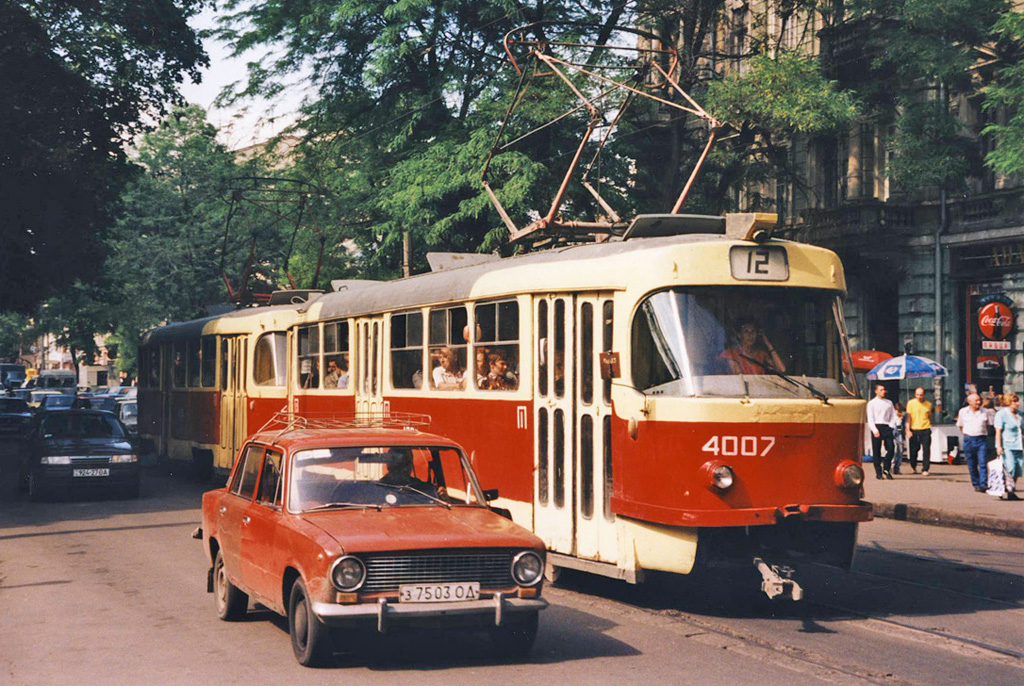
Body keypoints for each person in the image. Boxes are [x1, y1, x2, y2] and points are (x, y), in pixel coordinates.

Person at [719, 319, 786, 374]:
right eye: (746, 331)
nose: (750, 335)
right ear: (739, 335)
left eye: (753, 331)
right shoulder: (731, 354)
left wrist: (768, 344)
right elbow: (738, 376)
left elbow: (782, 369)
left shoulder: (761, 354)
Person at [957, 392, 991, 493]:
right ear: (969, 402)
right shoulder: (963, 411)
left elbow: (988, 425)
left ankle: (983, 484)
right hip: (969, 439)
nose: (979, 402)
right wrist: (966, 434)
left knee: (983, 462)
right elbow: (960, 425)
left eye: (979, 400)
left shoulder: (985, 411)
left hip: (981, 439)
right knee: (971, 463)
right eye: (976, 400)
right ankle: (976, 483)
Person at [994, 393, 1022, 500]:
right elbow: (998, 431)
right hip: (1007, 445)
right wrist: (998, 446)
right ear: (1008, 403)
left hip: (1019, 444)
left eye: (1017, 401)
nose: (1017, 403)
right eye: (1014, 401)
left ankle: (1011, 489)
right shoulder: (1001, 414)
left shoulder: (1020, 414)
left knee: (1018, 468)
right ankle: (1005, 488)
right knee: (1010, 467)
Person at [867, 384, 897, 479]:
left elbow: (893, 415)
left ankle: (886, 468)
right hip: (877, 425)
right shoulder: (872, 403)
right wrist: (874, 430)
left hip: (886, 426)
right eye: (881, 390)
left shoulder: (889, 403)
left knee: (891, 448)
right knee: (877, 451)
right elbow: (870, 418)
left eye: (884, 390)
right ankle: (878, 472)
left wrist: (891, 426)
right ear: (876, 391)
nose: (883, 391)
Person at [905, 387, 933, 475]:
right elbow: (908, 418)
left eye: (921, 395)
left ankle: (925, 468)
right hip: (914, 429)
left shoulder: (928, 404)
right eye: (917, 395)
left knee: (926, 450)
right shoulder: (911, 403)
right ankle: (913, 466)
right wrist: (907, 430)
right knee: (913, 450)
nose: (919, 397)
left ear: (924, 395)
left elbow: (929, 416)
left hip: (925, 428)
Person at [892, 403, 906, 475]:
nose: (899, 413)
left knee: (900, 451)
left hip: (900, 436)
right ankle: (892, 466)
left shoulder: (902, 418)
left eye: (901, 412)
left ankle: (897, 467)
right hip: (894, 435)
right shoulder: (892, 418)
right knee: (894, 451)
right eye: (898, 411)